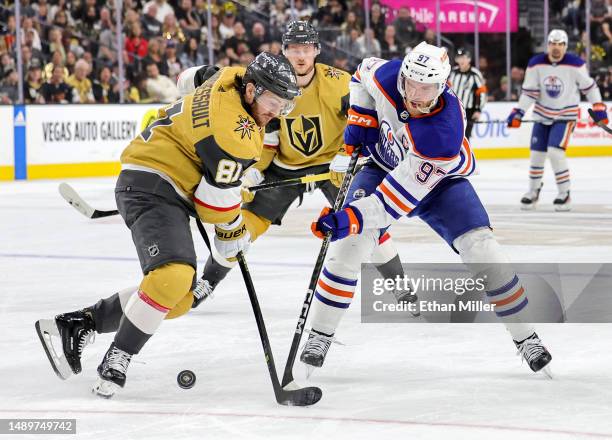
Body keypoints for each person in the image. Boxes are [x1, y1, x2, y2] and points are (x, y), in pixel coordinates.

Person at [35, 52, 301, 399]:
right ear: (251, 90)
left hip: (163, 180)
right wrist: (233, 230)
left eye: (283, 106)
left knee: (176, 299)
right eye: (272, 102)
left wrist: (231, 177)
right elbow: (211, 206)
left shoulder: (228, 76)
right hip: (153, 183)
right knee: (173, 276)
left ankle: (77, 323)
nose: (275, 113)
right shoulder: (236, 136)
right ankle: (118, 357)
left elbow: (187, 79)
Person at [302, 42, 553, 376]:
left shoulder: (442, 134)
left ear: (443, 86)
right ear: (402, 75)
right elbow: (362, 73)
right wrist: (361, 115)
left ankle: (526, 336)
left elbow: (391, 204)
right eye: (410, 85)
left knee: (484, 251)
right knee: (349, 248)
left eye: (427, 88)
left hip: (440, 183)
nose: (415, 96)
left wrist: (348, 218)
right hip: (382, 165)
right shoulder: (389, 75)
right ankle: (320, 334)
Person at [176, 21, 407, 308]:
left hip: (333, 167)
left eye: (307, 48)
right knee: (242, 228)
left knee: (366, 222)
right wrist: (250, 171)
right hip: (285, 166)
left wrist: (349, 154)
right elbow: (261, 133)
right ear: (283, 51)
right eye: (294, 49)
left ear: (317, 51)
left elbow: (370, 115)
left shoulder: (337, 83)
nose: (300, 56)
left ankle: (400, 285)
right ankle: (207, 282)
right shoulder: (268, 80)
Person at [507, 29, 608, 211]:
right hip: (542, 115)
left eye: (560, 44)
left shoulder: (576, 64)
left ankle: (564, 193)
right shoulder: (535, 64)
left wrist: (599, 106)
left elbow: (590, 87)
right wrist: (518, 111)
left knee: (555, 152)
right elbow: (530, 92)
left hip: (565, 116)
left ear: (565, 46)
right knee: (537, 155)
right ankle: (533, 190)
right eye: (553, 44)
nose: (556, 48)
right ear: (547, 45)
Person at [448, 48, 487, 139]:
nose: (461, 60)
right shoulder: (453, 73)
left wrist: (478, 110)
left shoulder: (474, 74)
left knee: (465, 136)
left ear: (469, 59)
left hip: (468, 110)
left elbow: (481, 92)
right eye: (459, 57)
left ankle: (465, 153)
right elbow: (447, 89)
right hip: (453, 108)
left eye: (464, 57)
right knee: (452, 134)